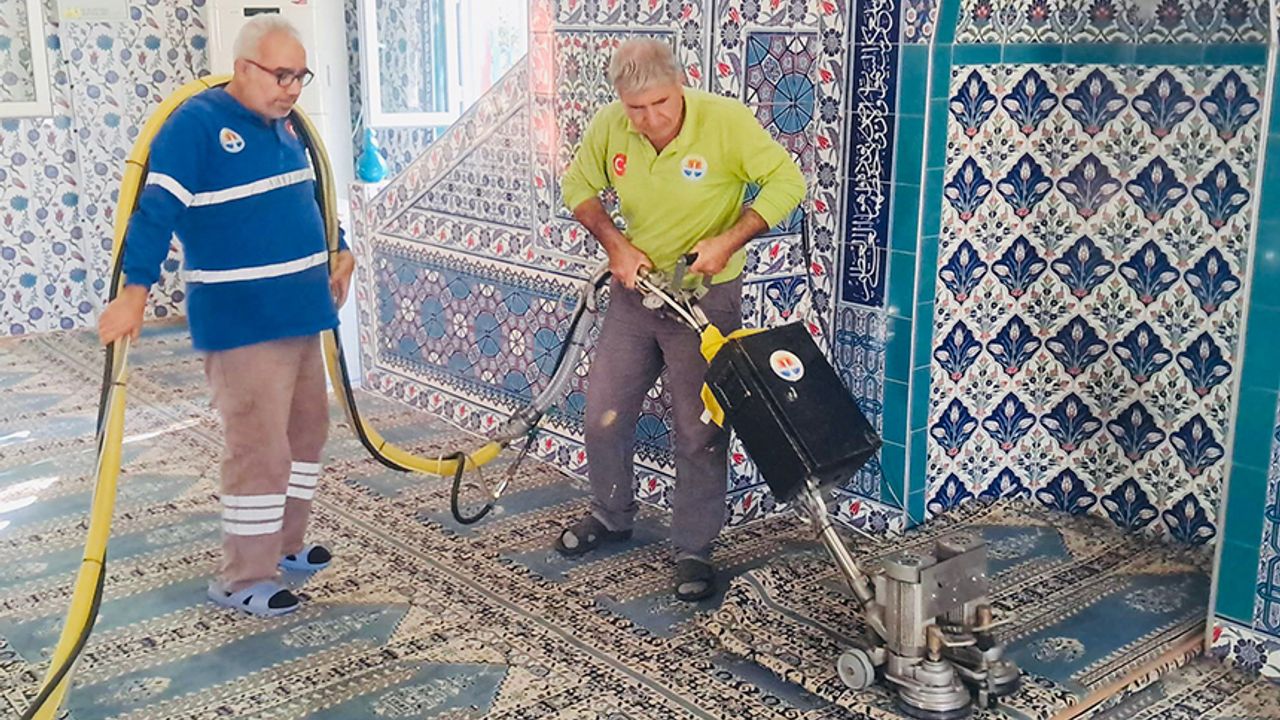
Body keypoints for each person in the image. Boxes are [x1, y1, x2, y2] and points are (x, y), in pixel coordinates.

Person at [97, 16, 355, 617]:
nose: (292, 88)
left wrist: (337, 248)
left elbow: (309, 196)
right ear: (242, 68)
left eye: (300, 76)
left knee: (306, 434)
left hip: (301, 310)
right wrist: (134, 291)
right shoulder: (195, 125)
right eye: (281, 75)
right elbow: (154, 212)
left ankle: (286, 544)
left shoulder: (288, 126)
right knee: (258, 448)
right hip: (244, 321)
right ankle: (244, 575)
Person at [557, 38, 805, 601]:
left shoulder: (725, 122)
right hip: (636, 293)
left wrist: (727, 241)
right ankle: (612, 514)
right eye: (636, 109)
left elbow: (788, 182)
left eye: (660, 104)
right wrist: (616, 245)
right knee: (603, 414)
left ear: (681, 85)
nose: (650, 120)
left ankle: (694, 547)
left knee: (700, 430)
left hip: (703, 300)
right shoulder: (611, 125)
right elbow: (577, 187)